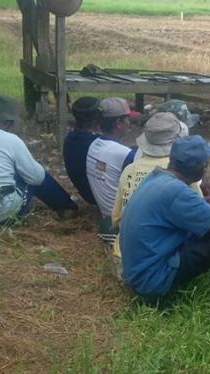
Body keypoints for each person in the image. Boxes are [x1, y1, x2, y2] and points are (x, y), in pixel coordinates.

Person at [119, 135, 210, 311]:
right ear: (201, 168)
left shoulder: (157, 178)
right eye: (207, 164)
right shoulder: (176, 191)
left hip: (138, 273)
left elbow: (194, 206)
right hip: (153, 280)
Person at [0, 94, 77, 226]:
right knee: (32, 174)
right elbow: (37, 178)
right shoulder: (10, 140)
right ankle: (67, 207)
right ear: (7, 122)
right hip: (0, 214)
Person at [110, 112, 190, 278]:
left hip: (122, 257)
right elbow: (198, 217)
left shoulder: (130, 170)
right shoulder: (182, 172)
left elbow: (115, 220)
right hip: (154, 263)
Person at [86, 97, 138, 240]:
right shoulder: (124, 154)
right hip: (122, 221)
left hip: (106, 215)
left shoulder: (94, 144)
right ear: (118, 123)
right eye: (127, 119)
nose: (130, 123)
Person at [63, 97, 101, 205]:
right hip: (101, 198)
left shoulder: (69, 139)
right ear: (96, 121)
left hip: (88, 196)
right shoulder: (97, 145)